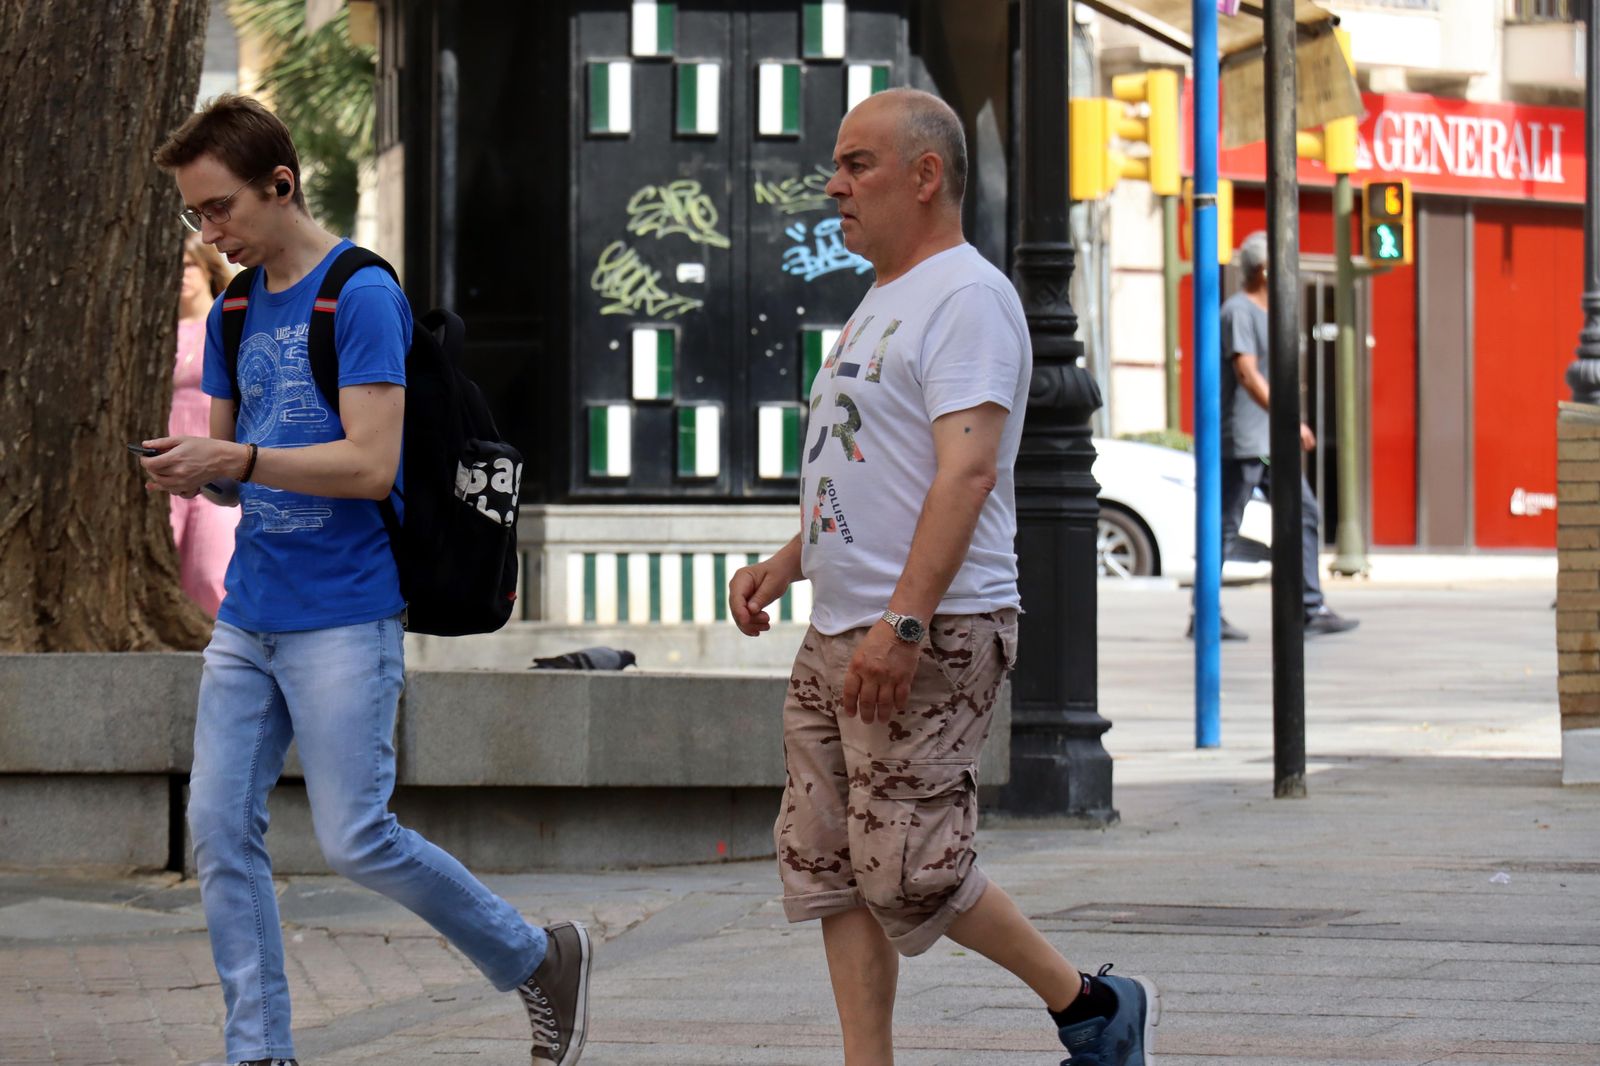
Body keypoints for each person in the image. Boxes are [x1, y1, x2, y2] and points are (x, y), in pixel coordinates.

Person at [144, 95, 591, 1066]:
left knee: (356, 836)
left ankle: (534, 955)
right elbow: (227, 465)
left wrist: (234, 463)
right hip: (249, 615)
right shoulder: (229, 305)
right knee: (219, 831)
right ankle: (259, 1050)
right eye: (195, 215)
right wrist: (197, 466)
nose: (209, 233)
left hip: (346, 613)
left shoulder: (362, 295)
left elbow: (368, 466)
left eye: (219, 209)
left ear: (281, 185)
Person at [728, 88, 1158, 1066]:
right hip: (840, 625)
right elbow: (869, 467)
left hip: (932, 628)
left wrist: (905, 623)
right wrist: (785, 564)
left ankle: (1092, 1005)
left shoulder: (967, 297)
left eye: (857, 164)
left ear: (926, 176)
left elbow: (965, 471)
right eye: (837, 166)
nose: (834, 185)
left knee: (912, 869)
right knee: (828, 860)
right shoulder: (881, 300)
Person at [1201, 230, 1357, 641]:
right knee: (1225, 525)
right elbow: (1247, 374)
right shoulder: (1239, 311)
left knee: (1302, 512)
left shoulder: (1273, 313)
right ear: (1266, 270)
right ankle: (1204, 613)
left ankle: (1309, 606)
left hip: (1269, 442)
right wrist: (1289, 419)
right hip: (1247, 441)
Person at [170, 233, 240, 616]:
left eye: (190, 265)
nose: (182, 276)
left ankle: (222, 644)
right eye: (175, 267)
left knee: (211, 569)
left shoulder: (224, 322)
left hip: (215, 464)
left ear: (208, 268)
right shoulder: (157, 331)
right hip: (171, 461)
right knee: (170, 561)